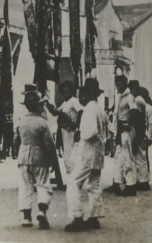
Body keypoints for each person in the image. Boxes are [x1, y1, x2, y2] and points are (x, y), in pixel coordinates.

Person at [65, 78, 108, 232]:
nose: (82, 95)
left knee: (73, 182)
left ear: (90, 93)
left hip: (89, 152)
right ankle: (94, 217)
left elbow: (91, 131)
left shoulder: (90, 109)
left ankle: (77, 216)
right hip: (98, 152)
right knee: (93, 184)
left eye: (84, 92)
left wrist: (80, 135)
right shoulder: (99, 108)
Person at [15, 84, 56, 230]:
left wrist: (18, 156)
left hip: (23, 157)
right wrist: (52, 160)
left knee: (25, 186)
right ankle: (42, 211)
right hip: (40, 157)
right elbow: (49, 144)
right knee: (43, 184)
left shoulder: (21, 122)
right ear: (38, 106)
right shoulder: (42, 123)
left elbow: (16, 141)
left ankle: (26, 217)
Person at [104, 74, 139, 196]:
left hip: (126, 131)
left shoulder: (129, 97)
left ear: (125, 84)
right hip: (119, 131)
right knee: (118, 157)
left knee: (127, 157)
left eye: (120, 84)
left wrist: (129, 124)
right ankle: (117, 182)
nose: (118, 86)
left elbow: (134, 111)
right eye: (117, 84)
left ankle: (131, 185)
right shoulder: (119, 97)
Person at [45, 80, 83, 181]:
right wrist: (46, 103)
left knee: (71, 155)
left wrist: (76, 126)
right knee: (66, 154)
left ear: (72, 92)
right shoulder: (66, 103)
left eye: (68, 92)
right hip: (64, 131)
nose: (66, 94)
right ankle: (71, 177)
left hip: (71, 132)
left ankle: (73, 178)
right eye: (64, 92)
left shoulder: (74, 101)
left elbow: (81, 111)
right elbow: (55, 112)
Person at [129, 81, 149, 190]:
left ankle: (143, 180)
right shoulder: (139, 99)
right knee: (139, 156)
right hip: (140, 128)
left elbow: (136, 117)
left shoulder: (137, 100)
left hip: (138, 129)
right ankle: (142, 179)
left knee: (140, 156)